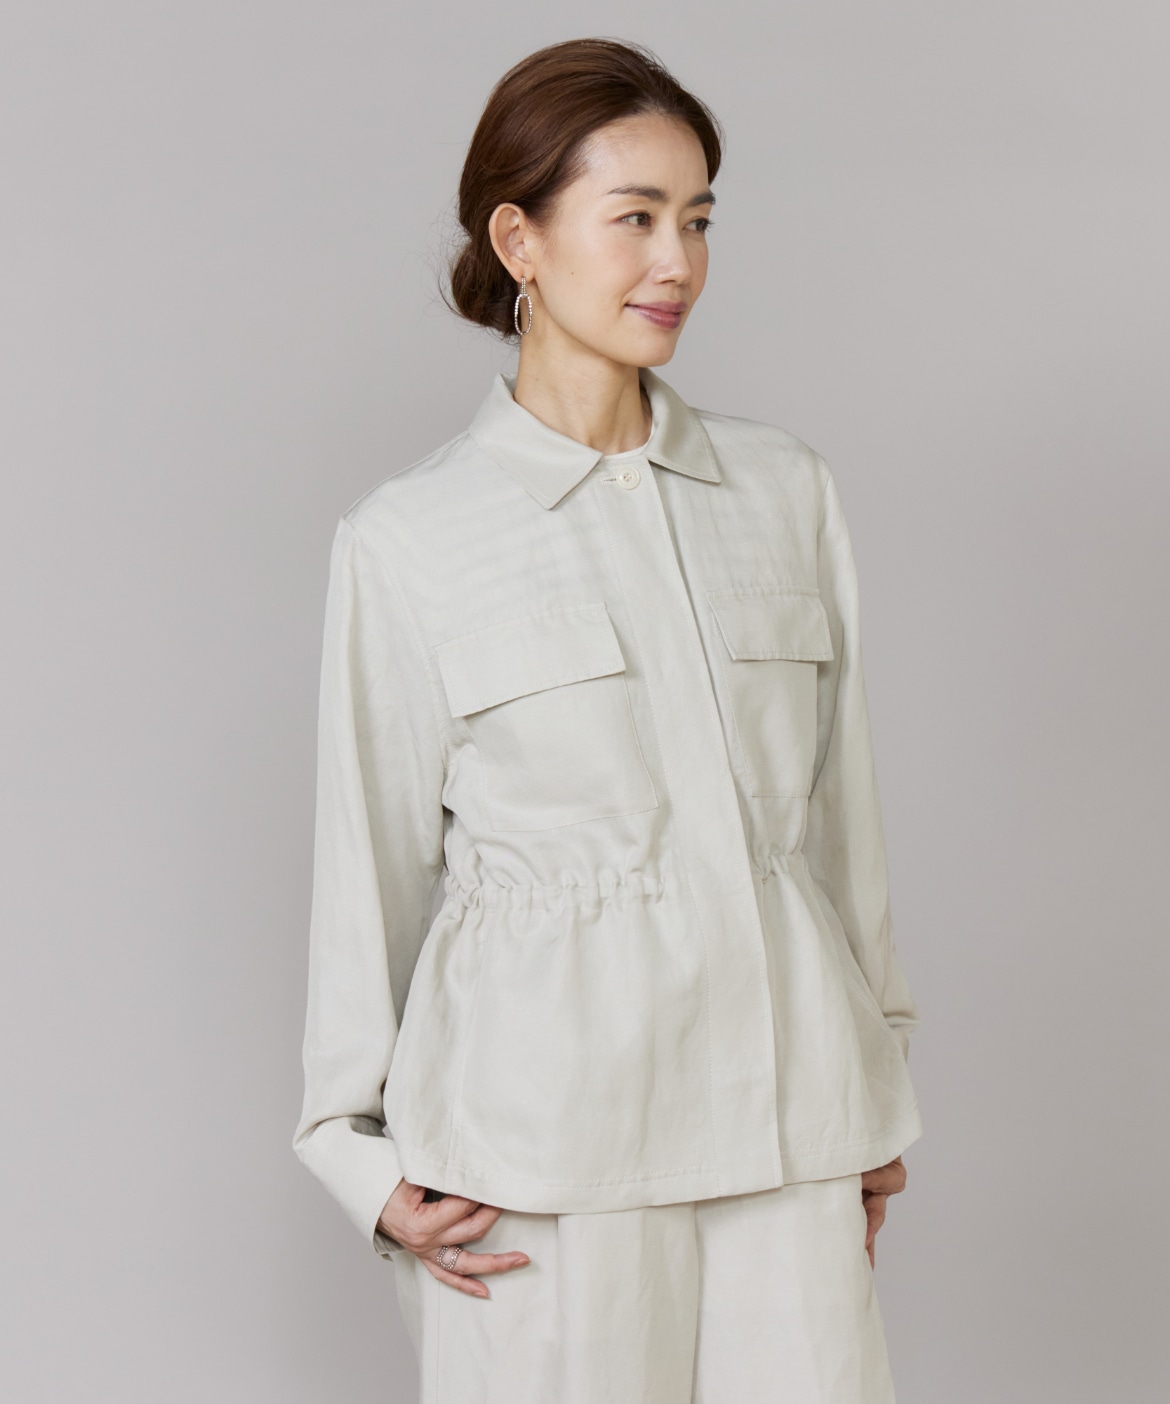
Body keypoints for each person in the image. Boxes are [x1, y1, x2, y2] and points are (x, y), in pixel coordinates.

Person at [292, 35, 923, 1404]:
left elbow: (841, 821)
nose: (675, 262)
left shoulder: (783, 491)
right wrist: (355, 1153)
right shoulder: (414, 538)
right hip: (540, 1145)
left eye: (697, 220)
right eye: (634, 217)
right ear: (518, 240)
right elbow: (371, 860)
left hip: (790, 1120)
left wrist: (872, 1079)